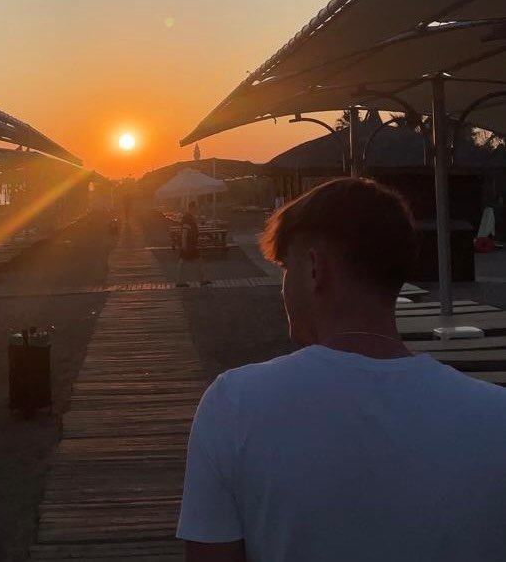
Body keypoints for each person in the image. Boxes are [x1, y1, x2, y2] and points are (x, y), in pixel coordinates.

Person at [177, 177, 506, 561]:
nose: (283, 289)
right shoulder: (494, 416)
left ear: (314, 268)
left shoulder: (234, 406)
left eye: (286, 268)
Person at [176, 201, 210, 287]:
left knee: (185, 262)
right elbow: (185, 232)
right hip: (189, 245)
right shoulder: (187, 219)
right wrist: (184, 245)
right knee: (197, 261)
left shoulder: (189, 218)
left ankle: (181, 281)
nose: (197, 210)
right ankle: (201, 280)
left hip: (190, 244)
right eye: (196, 208)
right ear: (193, 208)